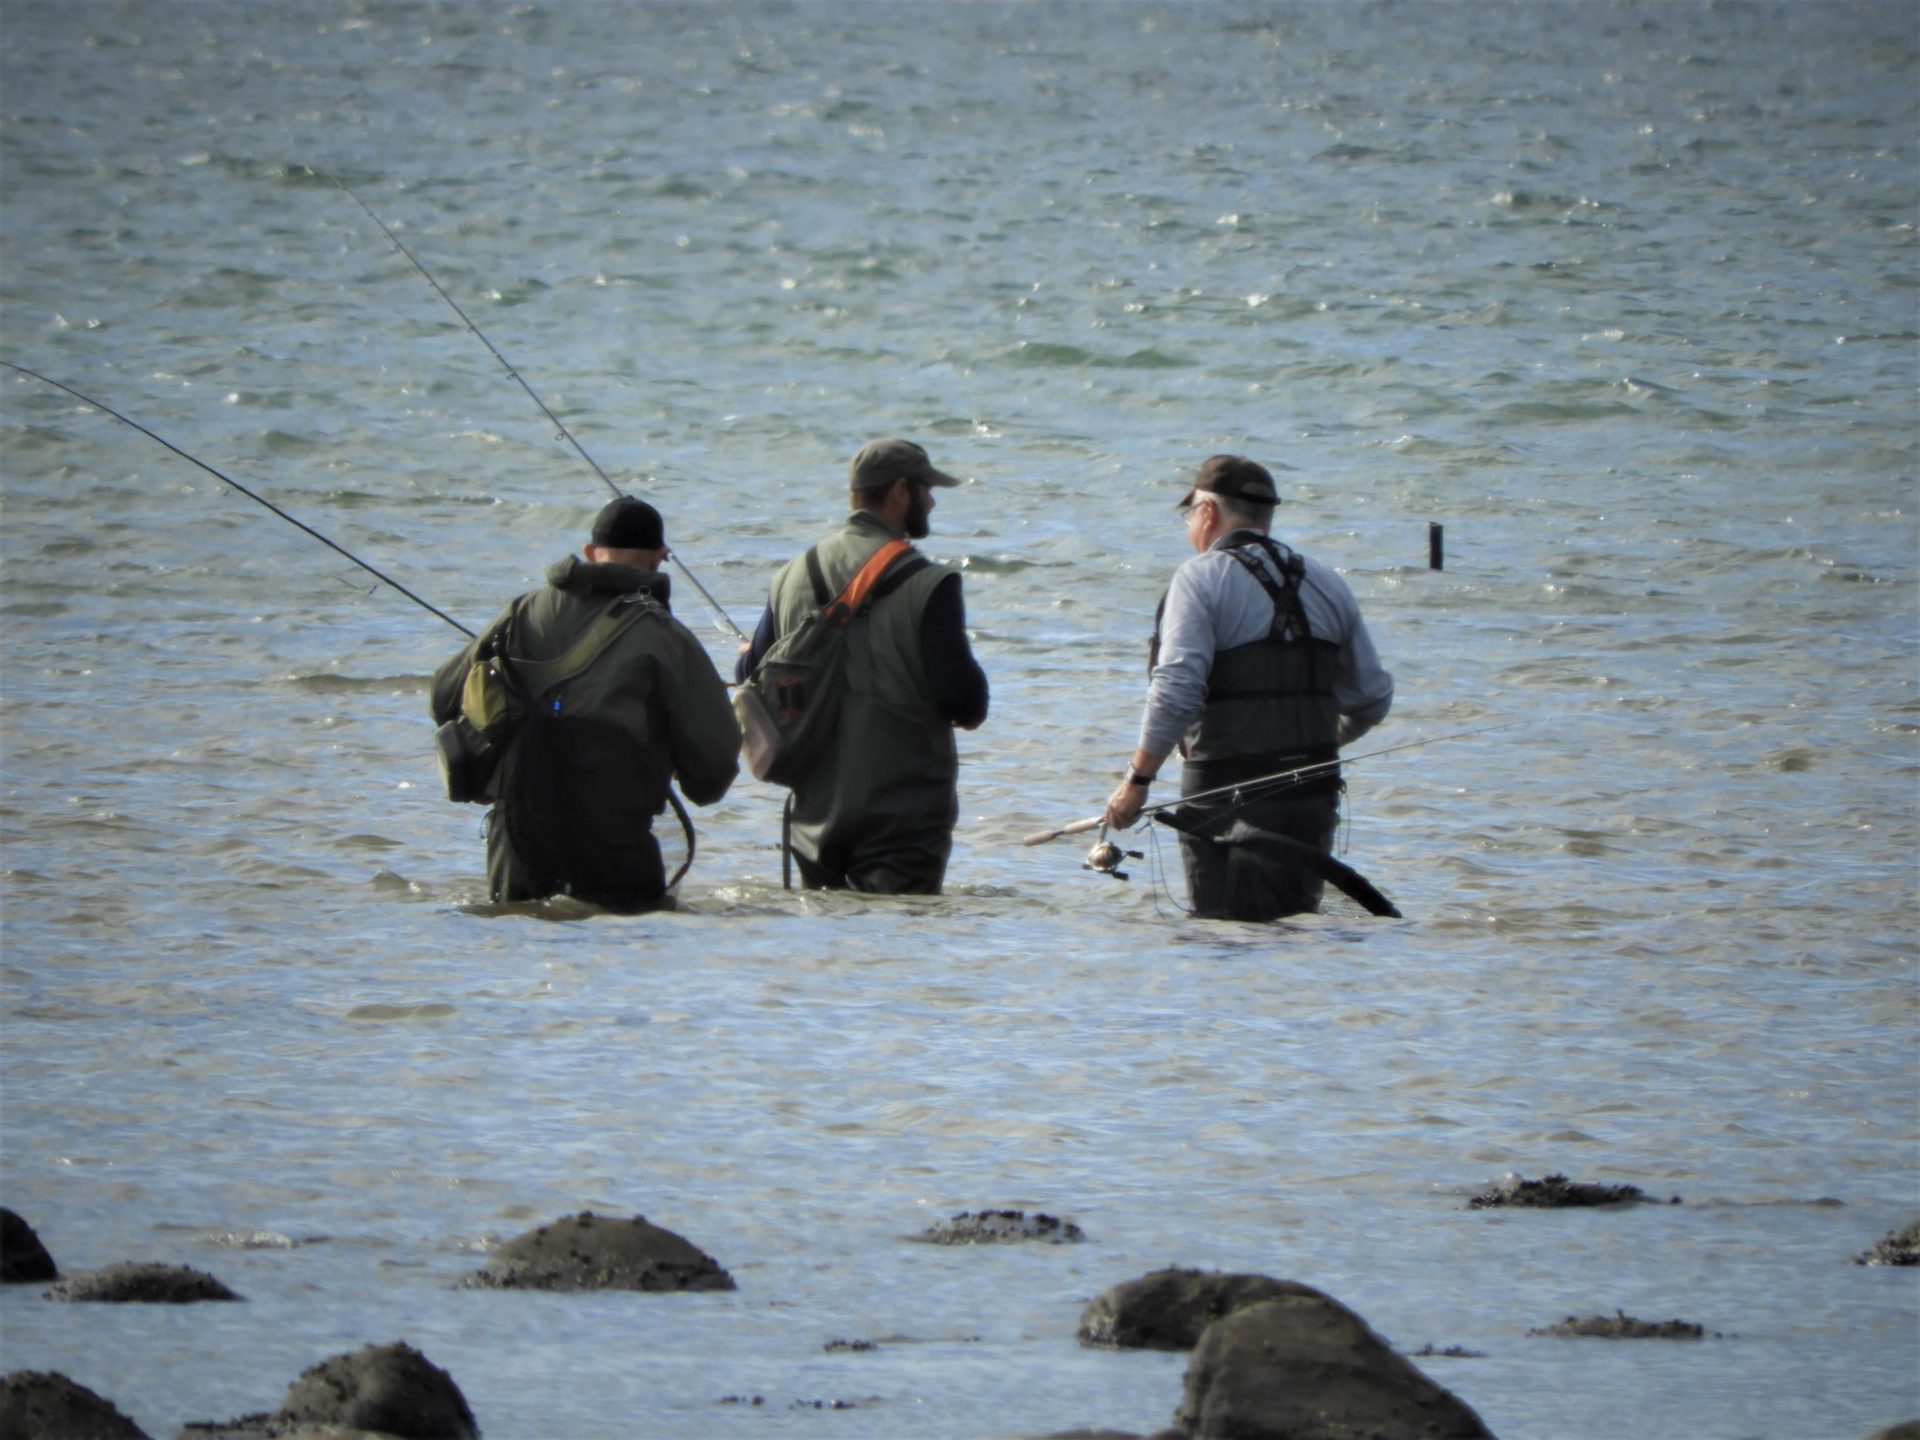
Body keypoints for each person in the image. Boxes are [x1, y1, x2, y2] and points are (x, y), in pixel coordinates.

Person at [1103, 455, 1393, 920]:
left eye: (1189, 514)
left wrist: (1137, 782)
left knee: (1224, 939)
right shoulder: (1328, 582)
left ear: (1209, 513)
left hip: (1224, 797)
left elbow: (1177, 689)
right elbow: (1372, 698)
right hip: (1312, 794)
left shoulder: (1199, 578)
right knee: (1292, 929)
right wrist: (1318, 743)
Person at [430, 496, 740, 911]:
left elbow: (443, 698)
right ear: (659, 558)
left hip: (515, 851)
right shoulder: (663, 634)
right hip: (617, 855)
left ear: (591, 553)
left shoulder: (519, 613)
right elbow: (713, 769)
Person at [736, 438, 988, 893]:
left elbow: (750, 678)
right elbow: (965, 702)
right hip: (902, 819)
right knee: (894, 956)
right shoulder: (930, 583)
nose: (931, 500)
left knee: (832, 956)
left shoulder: (792, 573)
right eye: (926, 488)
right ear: (898, 492)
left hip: (815, 818)